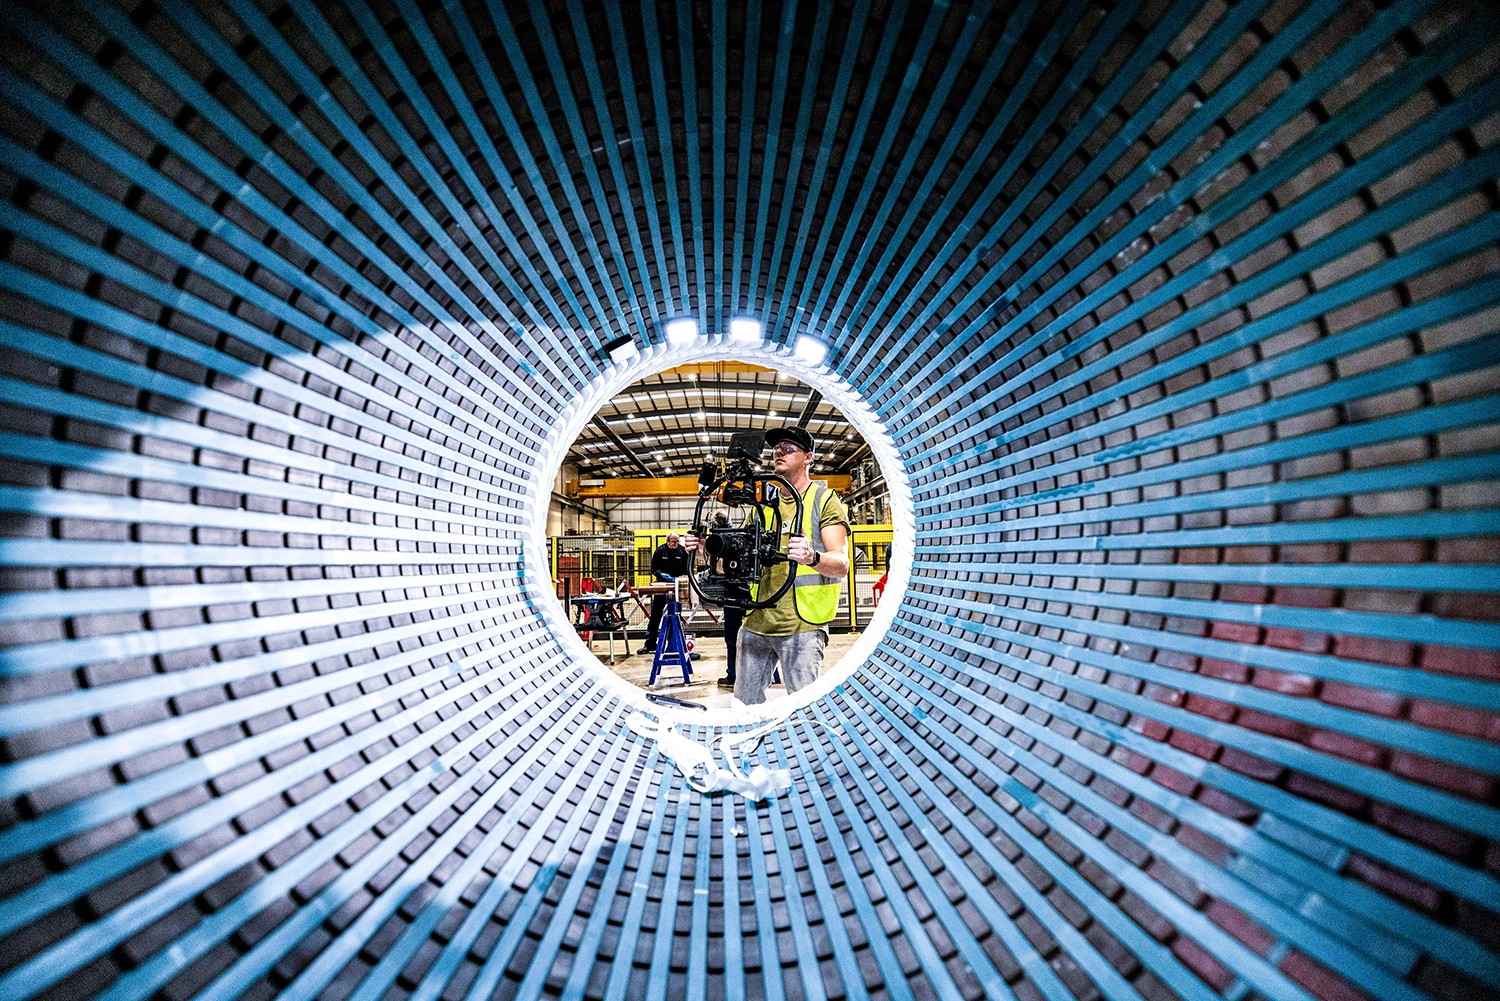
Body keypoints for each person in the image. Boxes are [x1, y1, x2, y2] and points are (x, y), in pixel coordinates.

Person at [689, 427, 849, 704]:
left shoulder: (823, 500)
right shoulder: (761, 508)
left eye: (789, 448)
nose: (779, 451)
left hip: (802, 625)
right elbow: (735, 563)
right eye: (777, 448)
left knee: (803, 708)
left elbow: (842, 564)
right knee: (744, 704)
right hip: (757, 620)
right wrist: (708, 552)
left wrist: (813, 557)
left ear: (808, 457)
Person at [639, 532, 690, 654]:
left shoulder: (683, 552)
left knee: (675, 616)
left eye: (677, 541)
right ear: (668, 541)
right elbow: (653, 569)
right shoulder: (660, 551)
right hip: (660, 587)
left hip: (677, 587)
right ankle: (650, 644)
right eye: (673, 542)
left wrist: (680, 578)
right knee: (655, 616)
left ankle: (672, 645)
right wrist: (661, 575)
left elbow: (687, 569)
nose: (676, 544)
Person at [710, 511, 743, 690]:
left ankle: (733, 675)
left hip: (733, 593)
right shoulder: (738, 536)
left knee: (732, 636)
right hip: (749, 591)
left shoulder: (721, 541)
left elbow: (720, 569)